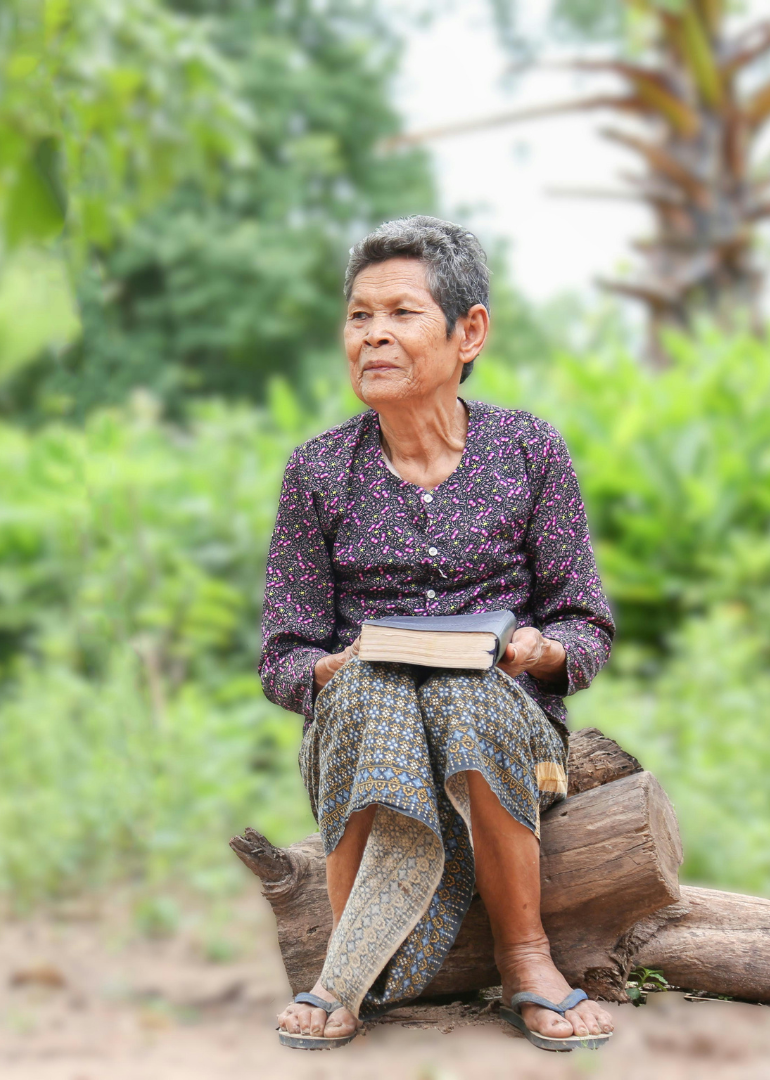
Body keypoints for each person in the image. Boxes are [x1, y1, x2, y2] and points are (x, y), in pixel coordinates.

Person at [258, 216, 616, 1051]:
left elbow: (585, 621)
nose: (373, 335)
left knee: (464, 692)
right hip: (361, 729)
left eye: (402, 314)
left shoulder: (528, 450)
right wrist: (332, 667)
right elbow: (282, 655)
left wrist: (543, 650)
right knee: (369, 686)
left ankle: (526, 955)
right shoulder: (316, 471)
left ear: (470, 332)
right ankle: (345, 970)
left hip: (506, 727)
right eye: (358, 316)